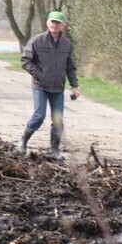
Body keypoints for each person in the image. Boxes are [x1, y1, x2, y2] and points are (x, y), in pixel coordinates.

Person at [19, 10, 80, 157]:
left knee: (58, 119)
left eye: (58, 22)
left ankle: (54, 150)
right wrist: (40, 75)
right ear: (48, 23)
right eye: (52, 21)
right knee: (39, 116)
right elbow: (25, 61)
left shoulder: (67, 44)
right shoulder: (37, 41)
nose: (55, 24)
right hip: (40, 86)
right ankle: (23, 140)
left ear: (63, 26)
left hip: (58, 87)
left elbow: (70, 66)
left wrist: (75, 85)